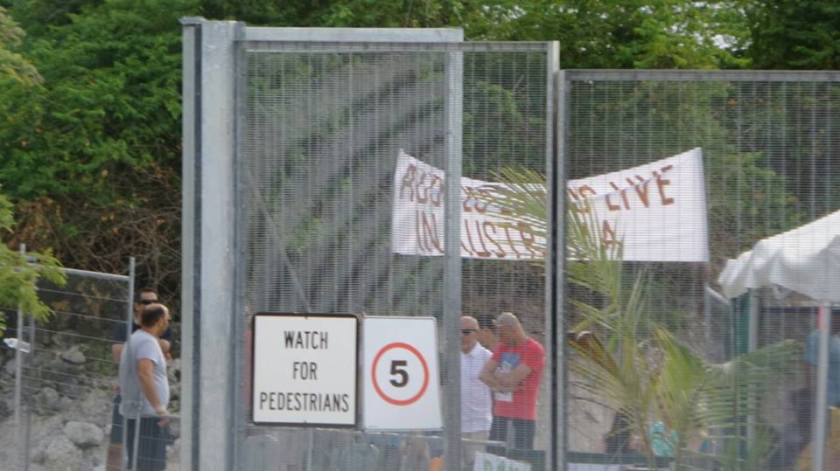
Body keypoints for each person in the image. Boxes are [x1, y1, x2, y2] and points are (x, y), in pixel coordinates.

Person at [106, 288, 172, 470]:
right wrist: (159, 408)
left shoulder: (139, 338)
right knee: (150, 465)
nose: (167, 323)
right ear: (158, 321)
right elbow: (145, 373)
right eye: (166, 319)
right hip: (147, 415)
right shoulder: (146, 342)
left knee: (141, 463)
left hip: (142, 413)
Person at [479, 312, 545, 451]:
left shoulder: (534, 349)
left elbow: (512, 379)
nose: (500, 339)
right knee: (494, 456)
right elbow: (483, 374)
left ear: (513, 329)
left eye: (502, 334)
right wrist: (499, 387)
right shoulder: (502, 347)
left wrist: (497, 378)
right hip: (500, 414)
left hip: (522, 416)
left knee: (520, 459)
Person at [460, 315, 493, 468]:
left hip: (478, 427)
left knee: (476, 467)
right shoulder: (452, 357)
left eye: (466, 332)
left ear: (477, 333)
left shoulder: (487, 357)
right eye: (458, 332)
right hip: (455, 426)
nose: (461, 336)